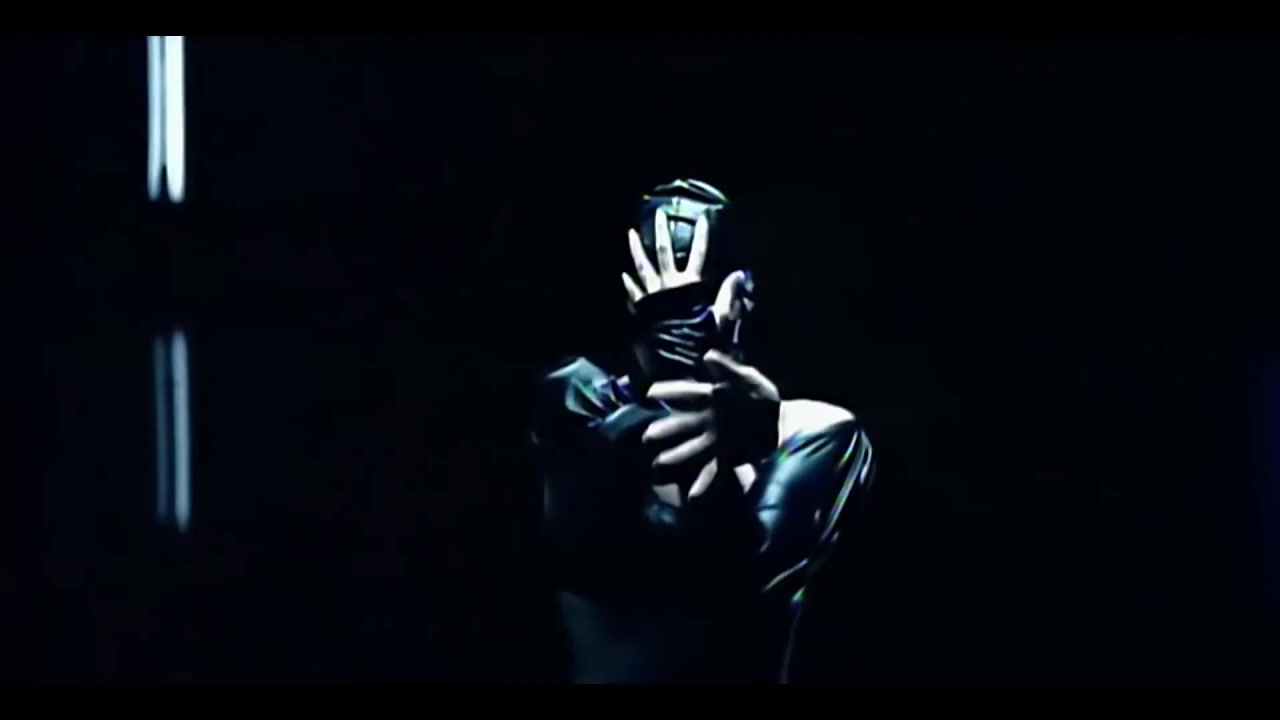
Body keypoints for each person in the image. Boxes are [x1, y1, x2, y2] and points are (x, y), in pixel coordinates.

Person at [530, 179, 875, 683]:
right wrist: (680, 385)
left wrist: (741, 439)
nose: (680, 314)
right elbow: (600, 528)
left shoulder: (817, 434)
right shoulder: (575, 402)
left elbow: (742, 586)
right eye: (660, 291)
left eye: (698, 292)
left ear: (743, 295)